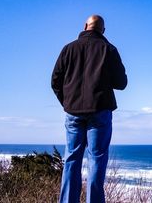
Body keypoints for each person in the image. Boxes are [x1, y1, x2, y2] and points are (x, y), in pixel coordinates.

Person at [51, 15, 127, 203]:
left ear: (85, 26)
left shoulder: (68, 49)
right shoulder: (108, 49)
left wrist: (68, 103)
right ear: (103, 30)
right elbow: (121, 83)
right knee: (97, 160)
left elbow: (55, 81)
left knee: (71, 159)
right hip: (100, 110)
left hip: (73, 112)